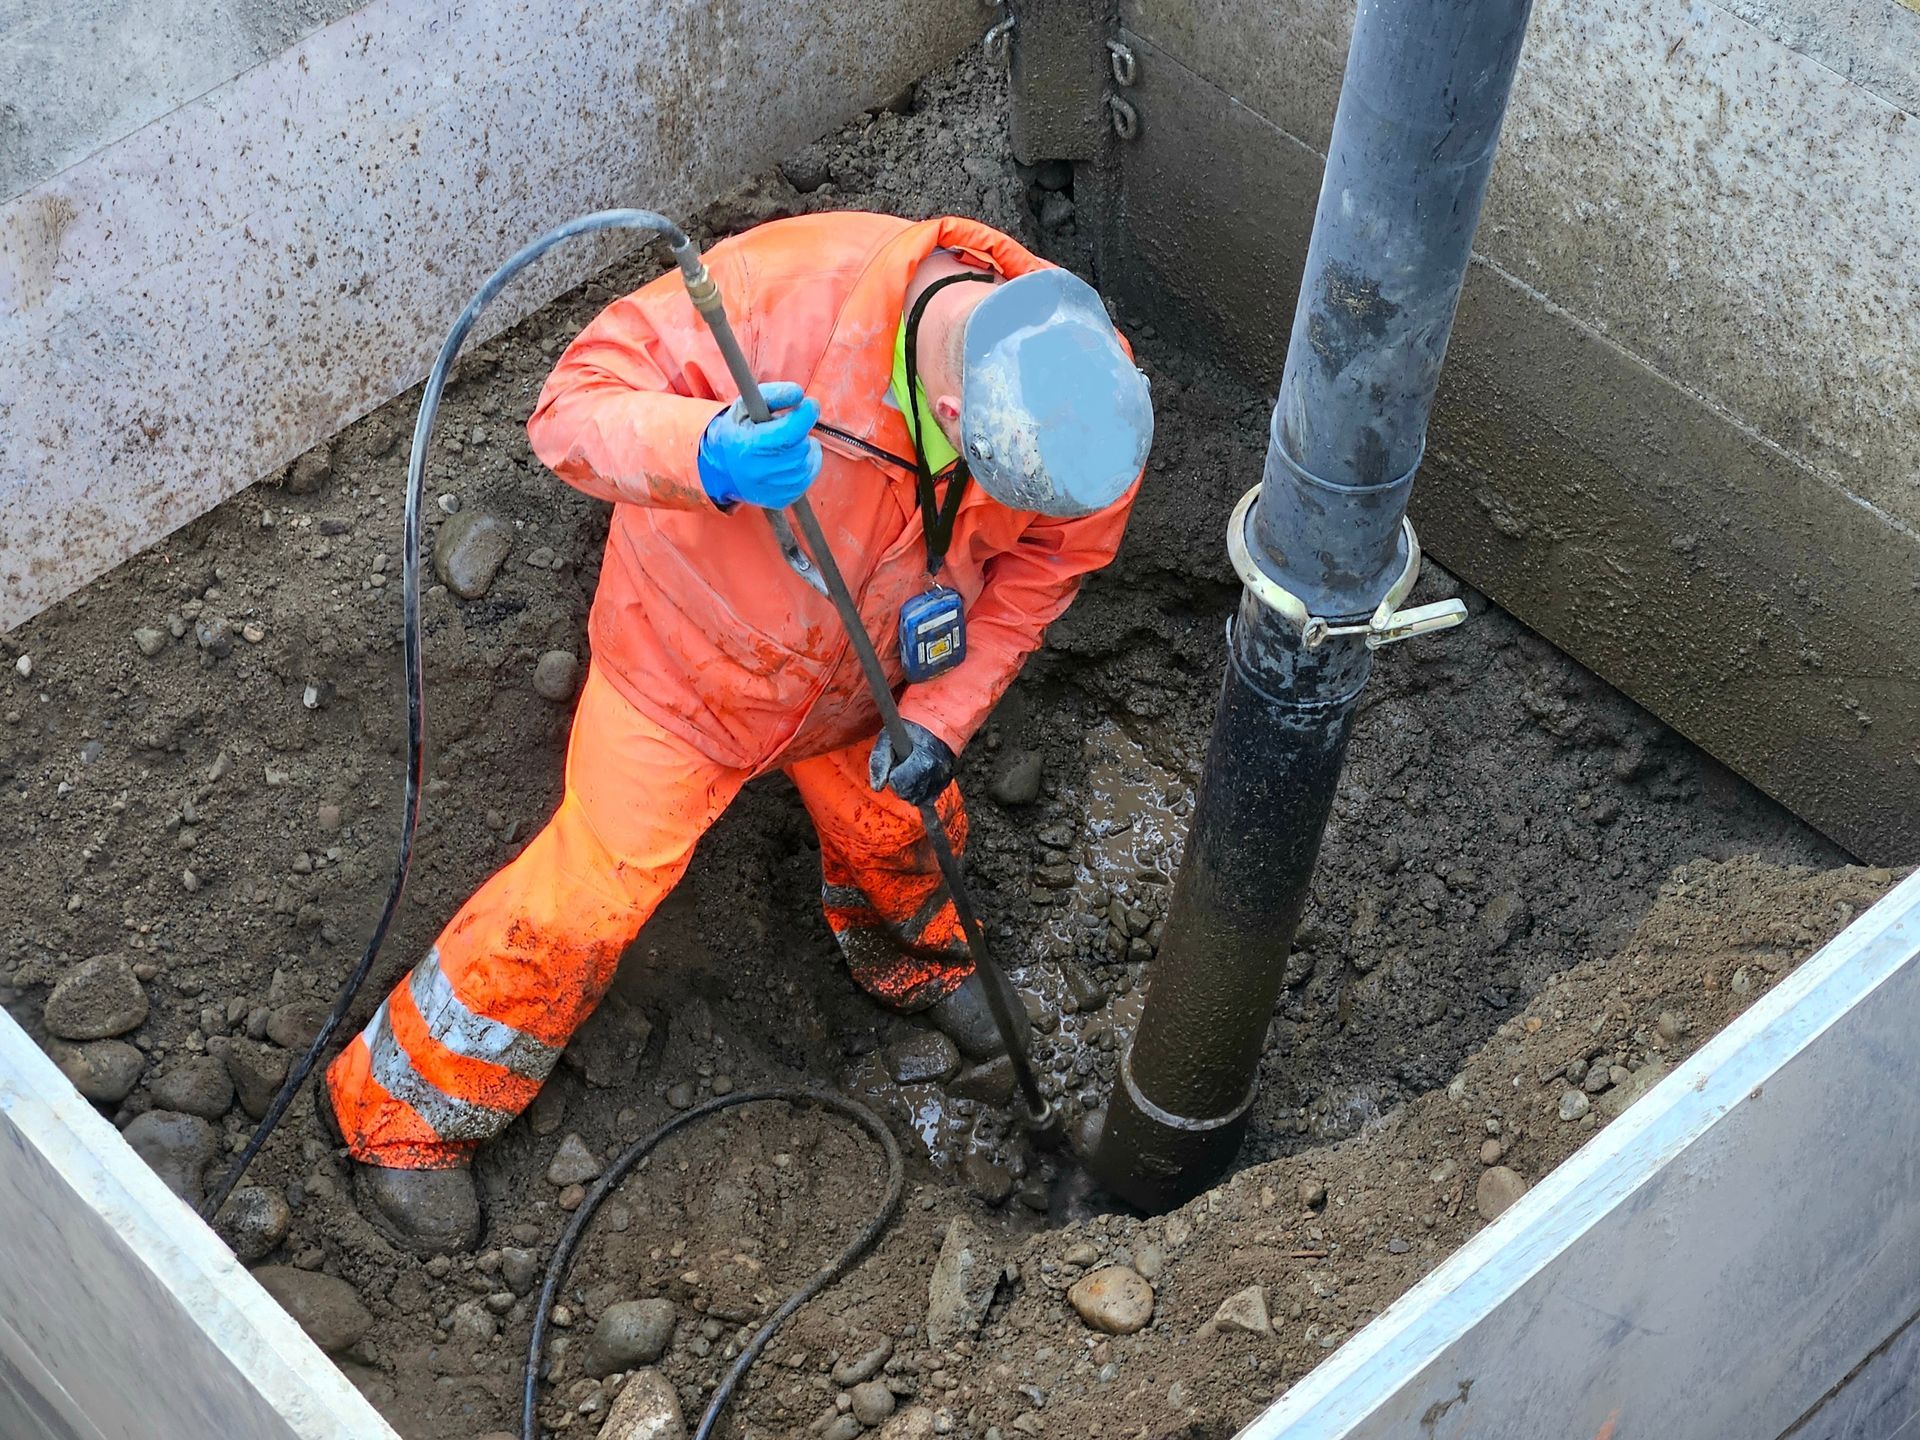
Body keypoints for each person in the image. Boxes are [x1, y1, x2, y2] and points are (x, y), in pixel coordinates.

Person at [321, 210, 1154, 1252]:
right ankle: (401, 1115)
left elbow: (1045, 573)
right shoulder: (782, 297)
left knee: (905, 823)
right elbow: (568, 409)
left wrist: (939, 721)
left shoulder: (1083, 403)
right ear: (949, 409)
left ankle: (924, 965)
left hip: (877, 684)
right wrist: (702, 449)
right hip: (688, 669)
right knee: (591, 895)